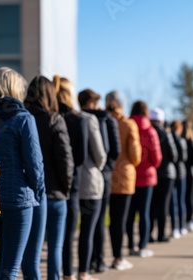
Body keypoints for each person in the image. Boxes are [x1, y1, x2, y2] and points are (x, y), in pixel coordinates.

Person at [0, 67, 45, 280]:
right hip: (19, 199)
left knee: (3, 260)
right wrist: (38, 192)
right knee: (11, 267)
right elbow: (35, 163)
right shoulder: (23, 117)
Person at [24, 76, 74, 280]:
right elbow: (65, 159)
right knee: (55, 247)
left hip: (31, 192)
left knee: (32, 252)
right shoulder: (54, 119)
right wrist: (66, 188)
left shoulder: (24, 117)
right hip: (55, 193)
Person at [78, 89, 121, 274]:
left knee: (87, 224)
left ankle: (90, 262)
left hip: (79, 176)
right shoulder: (105, 119)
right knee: (99, 220)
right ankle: (98, 260)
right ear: (92, 102)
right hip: (100, 175)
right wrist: (107, 168)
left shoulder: (75, 118)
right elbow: (114, 150)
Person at [53, 75, 88, 280]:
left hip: (48, 182)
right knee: (67, 234)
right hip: (72, 182)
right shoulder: (77, 119)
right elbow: (81, 156)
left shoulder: (48, 116)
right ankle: (67, 274)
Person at [105, 91, 141, 270]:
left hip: (106, 176)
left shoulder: (102, 120)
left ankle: (103, 257)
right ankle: (118, 257)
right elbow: (135, 155)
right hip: (124, 176)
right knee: (121, 219)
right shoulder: (128, 124)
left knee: (110, 219)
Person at [76, 90, 107, 280]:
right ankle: (83, 272)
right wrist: (100, 166)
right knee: (88, 230)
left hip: (72, 182)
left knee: (71, 230)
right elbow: (100, 154)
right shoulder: (90, 120)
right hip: (90, 181)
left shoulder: (68, 117)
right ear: (91, 103)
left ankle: (69, 272)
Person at [126, 101, 162, 258]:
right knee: (145, 213)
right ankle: (142, 246)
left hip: (130, 176)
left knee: (130, 213)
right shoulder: (150, 130)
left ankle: (129, 244)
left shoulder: (127, 126)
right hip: (147, 178)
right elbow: (157, 157)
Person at [149, 108, 177, 242]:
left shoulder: (147, 132)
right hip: (166, 174)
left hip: (152, 172)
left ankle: (148, 234)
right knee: (163, 205)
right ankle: (161, 233)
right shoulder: (166, 134)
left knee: (151, 205)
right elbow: (174, 155)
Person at [169, 121, 188, 239]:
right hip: (180, 173)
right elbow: (183, 157)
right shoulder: (181, 140)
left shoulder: (169, 138)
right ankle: (180, 227)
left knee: (174, 202)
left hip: (173, 173)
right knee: (180, 201)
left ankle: (174, 227)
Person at [182, 121, 193, 232]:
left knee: (184, 198)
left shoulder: (181, 140)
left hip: (183, 172)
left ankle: (184, 221)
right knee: (190, 198)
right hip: (191, 173)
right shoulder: (191, 142)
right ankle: (189, 221)